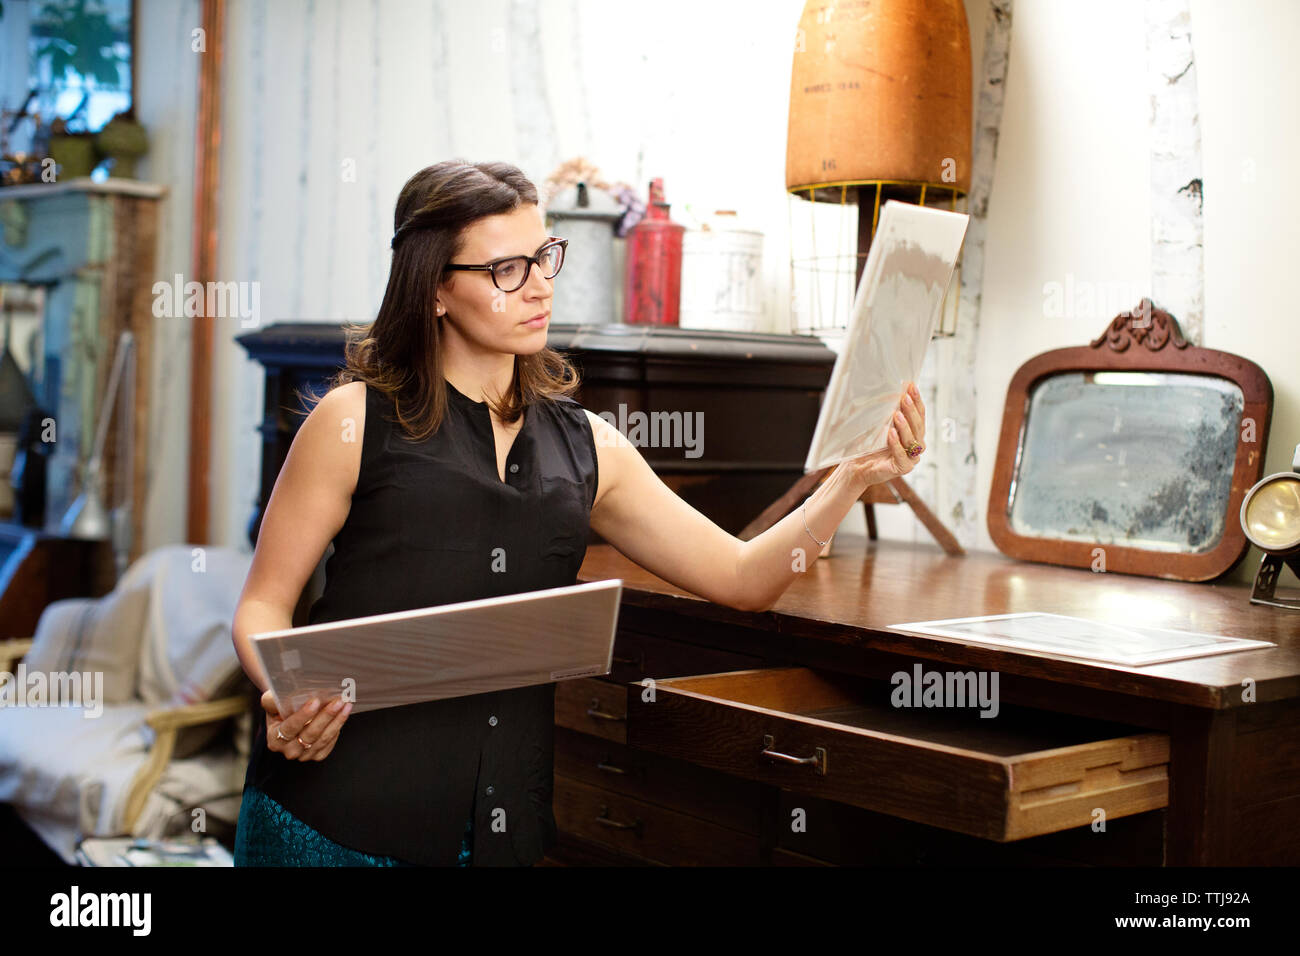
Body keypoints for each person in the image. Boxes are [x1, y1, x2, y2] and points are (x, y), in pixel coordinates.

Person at [229, 159, 927, 867]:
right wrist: (290, 693)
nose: (539, 286)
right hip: (334, 826)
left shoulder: (592, 447)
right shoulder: (353, 422)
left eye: (544, 257)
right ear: (436, 287)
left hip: (501, 833)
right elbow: (260, 610)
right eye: (507, 269)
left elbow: (744, 577)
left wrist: (848, 480)